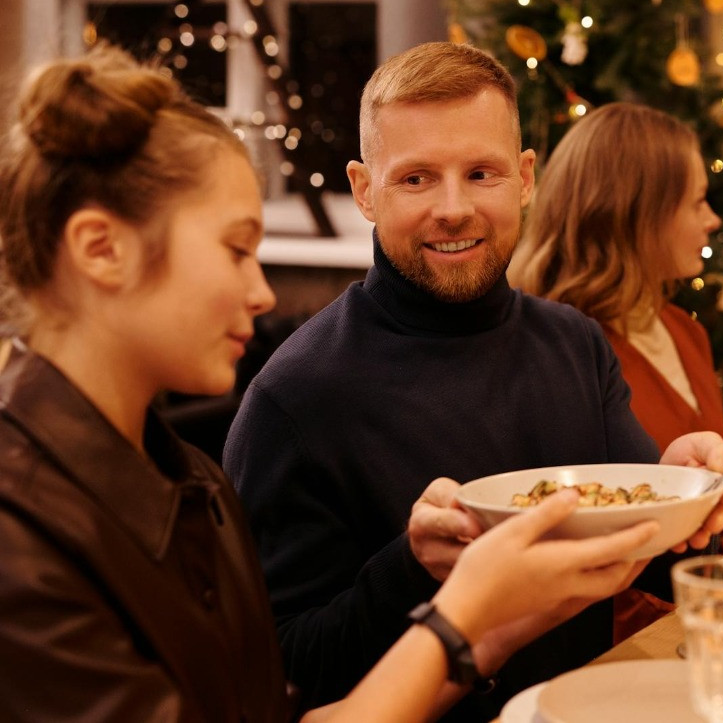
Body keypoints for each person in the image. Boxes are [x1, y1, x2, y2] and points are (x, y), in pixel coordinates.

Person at [0, 45, 659, 722]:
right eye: (236, 249)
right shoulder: (25, 533)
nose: (262, 294)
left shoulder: (185, 479)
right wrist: (453, 613)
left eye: (480, 173)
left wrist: (488, 625)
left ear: (523, 178)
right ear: (100, 250)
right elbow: (295, 676)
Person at [223, 42, 723, 719]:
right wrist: (414, 568)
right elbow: (279, 676)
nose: (453, 208)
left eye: (480, 173)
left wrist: (685, 500)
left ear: (524, 179)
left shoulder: (575, 343)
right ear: (364, 190)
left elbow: (649, 561)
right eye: (416, 179)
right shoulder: (295, 399)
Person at [509, 102, 723, 638]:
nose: (713, 219)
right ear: (638, 215)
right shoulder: (557, 355)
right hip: (647, 634)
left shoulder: (683, 330)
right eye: (697, 201)